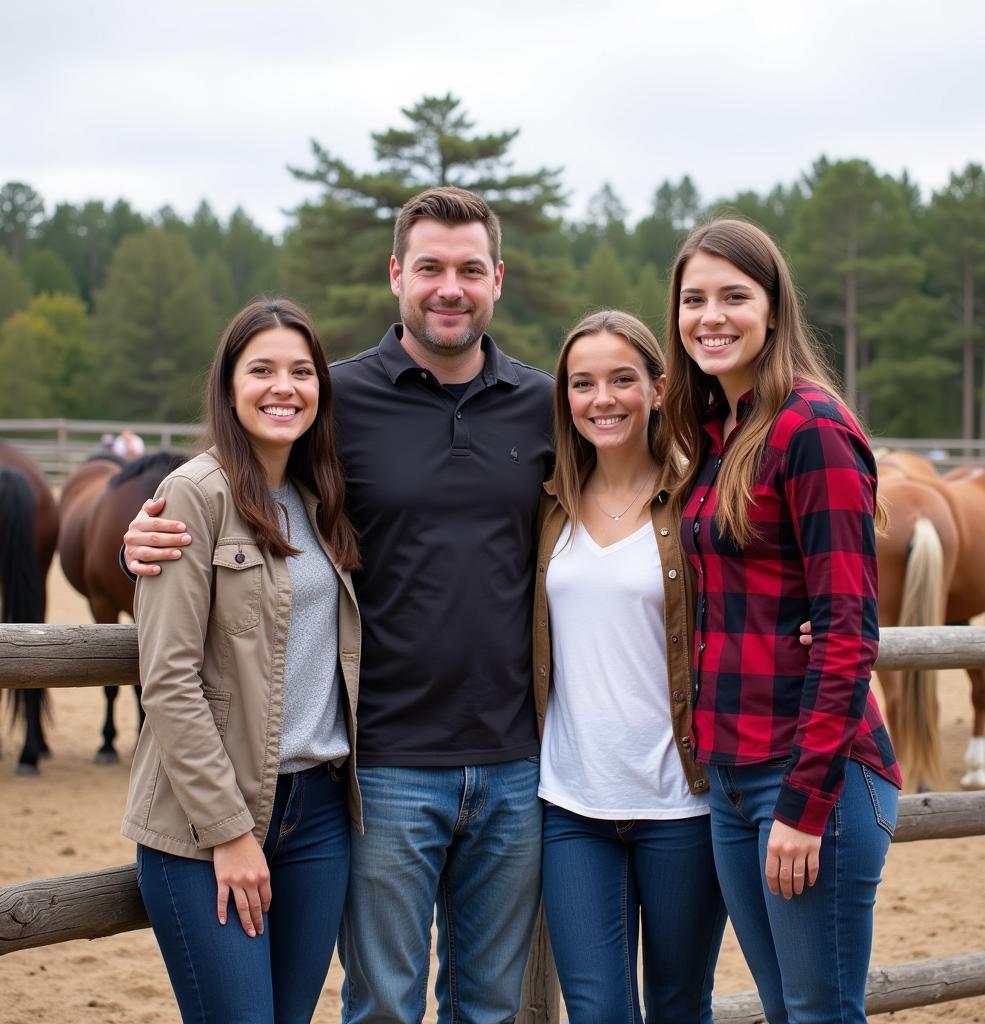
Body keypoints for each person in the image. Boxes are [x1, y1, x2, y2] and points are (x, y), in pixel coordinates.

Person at [123, 188, 554, 1023]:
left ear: (497, 278)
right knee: (383, 1007)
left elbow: (630, 496)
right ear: (397, 274)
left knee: (492, 1007)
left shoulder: (542, 405)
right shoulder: (335, 399)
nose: (449, 287)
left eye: (470, 269)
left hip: (514, 763)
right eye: (429, 267)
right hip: (383, 765)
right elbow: (236, 485)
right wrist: (140, 544)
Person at [663, 219, 902, 1023]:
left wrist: (803, 804)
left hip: (808, 777)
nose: (711, 316)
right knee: (788, 1011)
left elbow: (847, 627)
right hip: (730, 775)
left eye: (735, 296)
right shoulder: (715, 434)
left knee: (820, 1013)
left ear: (773, 309)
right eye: (694, 299)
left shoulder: (812, 429)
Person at [121, 298, 362, 1024]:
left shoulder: (324, 498)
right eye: (261, 370)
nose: (282, 387)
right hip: (209, 819)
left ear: (321, 386)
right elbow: (166, 681)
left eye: (300, 371)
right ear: (229, 387)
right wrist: (230, 831)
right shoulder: (195, 493)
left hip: (320, 812)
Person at [534, 310, 727, 1022]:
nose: (602, 399)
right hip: (573, 804)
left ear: (657, 387)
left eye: (622, 379)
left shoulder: (700, 502)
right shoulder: (546, 504)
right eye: (582, 383)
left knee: (679, 1005)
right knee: (596, 1008)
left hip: (682, 801)